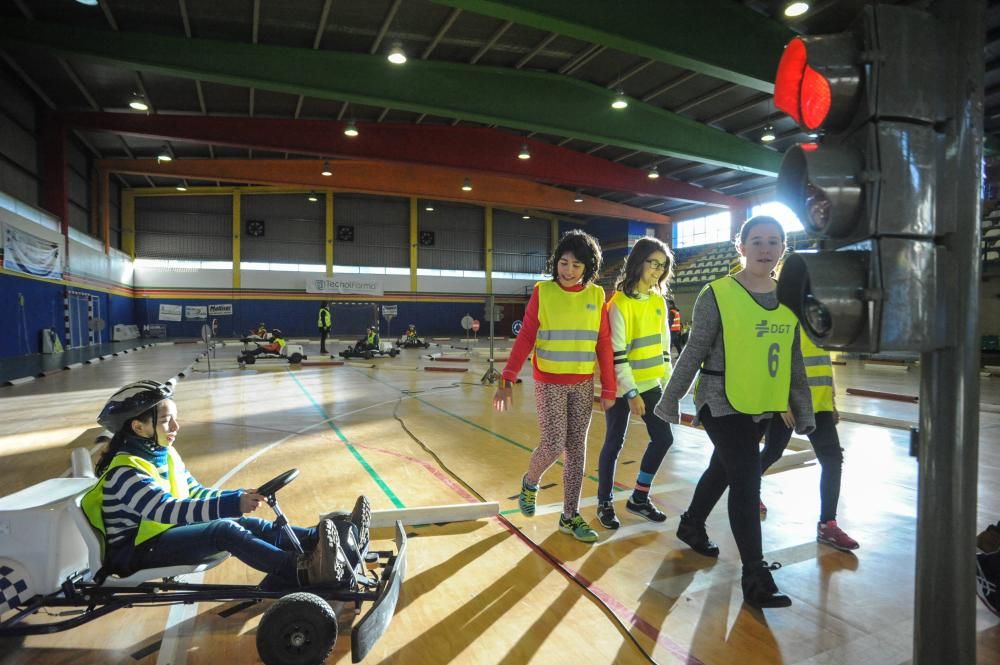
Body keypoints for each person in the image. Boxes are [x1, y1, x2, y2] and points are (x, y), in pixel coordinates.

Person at [653, 216, 814, 609]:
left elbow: (794, 360)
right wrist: (670, 398)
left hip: (763, 401)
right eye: (756, 241)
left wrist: (803, 408)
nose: (764, 248)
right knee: (746, 478)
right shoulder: (717, 294)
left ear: (782, 248)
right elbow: (693, 351)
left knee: (724, 469)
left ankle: (691, 523)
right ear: (739, 247)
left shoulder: (789, 299)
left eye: (773, 241)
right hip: (720, 402)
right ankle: (755, 577)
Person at [81, 380, 372, 589]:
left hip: (161, 538)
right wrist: (231, 505)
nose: (175, 428)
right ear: (138, 427)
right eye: (167, 421)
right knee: (225, 529)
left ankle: (320, 540)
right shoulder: (125, 471)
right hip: (136, 552)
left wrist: (238, 497)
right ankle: (302, 573)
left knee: (246, 523)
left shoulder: (163, 454)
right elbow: (164, 510)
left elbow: (194, 492)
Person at [493, 229, 616, 543]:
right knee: (553, 443)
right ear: (556, 263)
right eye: (564, 263)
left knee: (577, 449)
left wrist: (609, 387)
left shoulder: (596, 295)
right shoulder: (543, 292)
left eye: (576, 265)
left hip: (583, 383)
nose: (569, 270)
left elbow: (603, 342)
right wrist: (507, 375)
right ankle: (530, 482)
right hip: (549, 381)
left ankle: (570, 516)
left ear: (588, 267)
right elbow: (527, 336)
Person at [596, 237, 675, 529]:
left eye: (662, 265)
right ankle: (604, 501)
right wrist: (631, 392)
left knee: (664, 438)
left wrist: (667, 384)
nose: (657, 269)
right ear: (638, 263)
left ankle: (639, 497)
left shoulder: (658, 302)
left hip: (651, 383)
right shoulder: (618, 304)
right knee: (614, 443)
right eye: (652, 263)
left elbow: (664, 348)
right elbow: (617, 353)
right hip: (623, 387)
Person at [759, 330, 860, 551]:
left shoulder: (820, 323)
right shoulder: (785, 315)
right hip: (789, 403)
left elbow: (824, 363)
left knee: (833, 460)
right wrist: (781, 401)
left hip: (819, 404)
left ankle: (828, 525)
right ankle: (749, 492)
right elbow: (771, 360)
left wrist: (832, 398)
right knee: (773, 451)